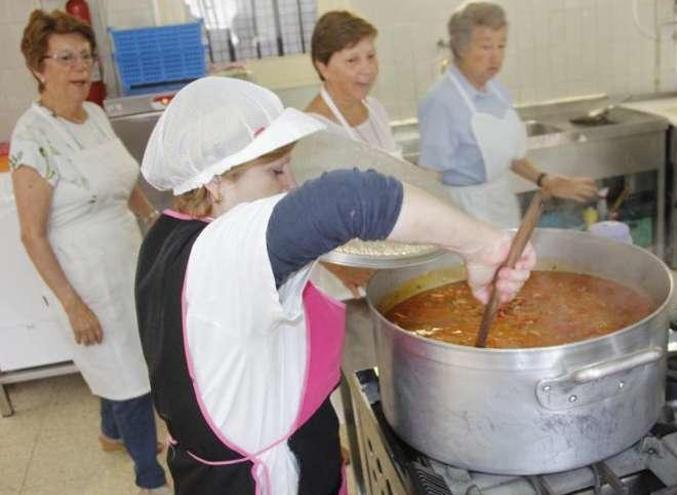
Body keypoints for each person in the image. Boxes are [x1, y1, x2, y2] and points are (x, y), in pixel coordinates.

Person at [135, 76, 535, 494]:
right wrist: (484, 245)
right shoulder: (226, 249)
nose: (289, 184)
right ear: (215, 182)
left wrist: (312, 434)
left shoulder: (168, 236)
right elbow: (350, 200)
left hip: (254, 452)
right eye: (275, 170)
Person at [9, 10, 168, 495]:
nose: (81, 68)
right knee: (127, 375)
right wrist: (72, 304)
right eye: (65, 58)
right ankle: (150, 477)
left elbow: (124, 184)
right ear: (39, 66)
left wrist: (159, 227)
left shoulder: (95, 114)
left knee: (126, 358)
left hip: (126, 258)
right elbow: (32, 235)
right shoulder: (32, 138)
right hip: (84, 276)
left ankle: (110, 432)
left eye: (85, 56)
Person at [417, 1, 597, 228]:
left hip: (501, 205)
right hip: (463, 213)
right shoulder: (441, 101)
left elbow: (511, 157)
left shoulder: (497, 91)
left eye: (501, 46)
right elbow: (429, 177)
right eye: (486, 47)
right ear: (461, 48)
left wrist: (544, 180)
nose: (496, 57)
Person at [304, 10, 400, 158]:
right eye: (352, 60)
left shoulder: (376, 109)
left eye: (371, 56)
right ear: (323, 67)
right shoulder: (313, 131)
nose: (368, 69)